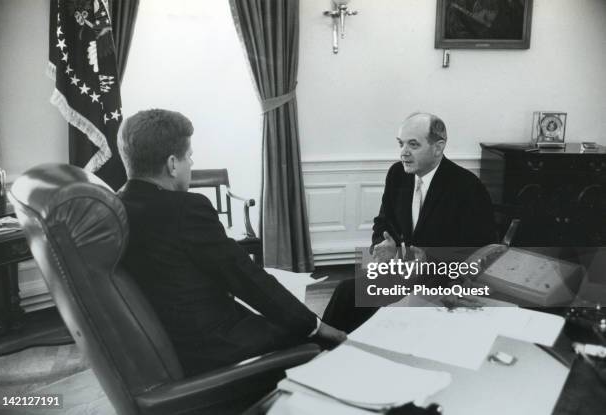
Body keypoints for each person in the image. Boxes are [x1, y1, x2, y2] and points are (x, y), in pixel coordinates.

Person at [117, 109, 346, 376]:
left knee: (346, 296)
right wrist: (316, 327)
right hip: (216, 347)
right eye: (189, 157)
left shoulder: (119, 206)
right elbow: (245, 278)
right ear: (172, 164)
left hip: (176, 339)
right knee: (331, 333)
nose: (191, 164)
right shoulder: (185, 209)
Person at [323, 112, 497, 332]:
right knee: (346, 293)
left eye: (413, 145)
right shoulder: (397, 174)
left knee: (388, 316)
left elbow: (484, 251)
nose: (403, 153)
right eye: (401, 144)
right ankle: (325, 351)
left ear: (438, 147)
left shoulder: (467, 186)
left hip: (444, 279)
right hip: (405, 270)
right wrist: (385, 245)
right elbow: (383, 222)